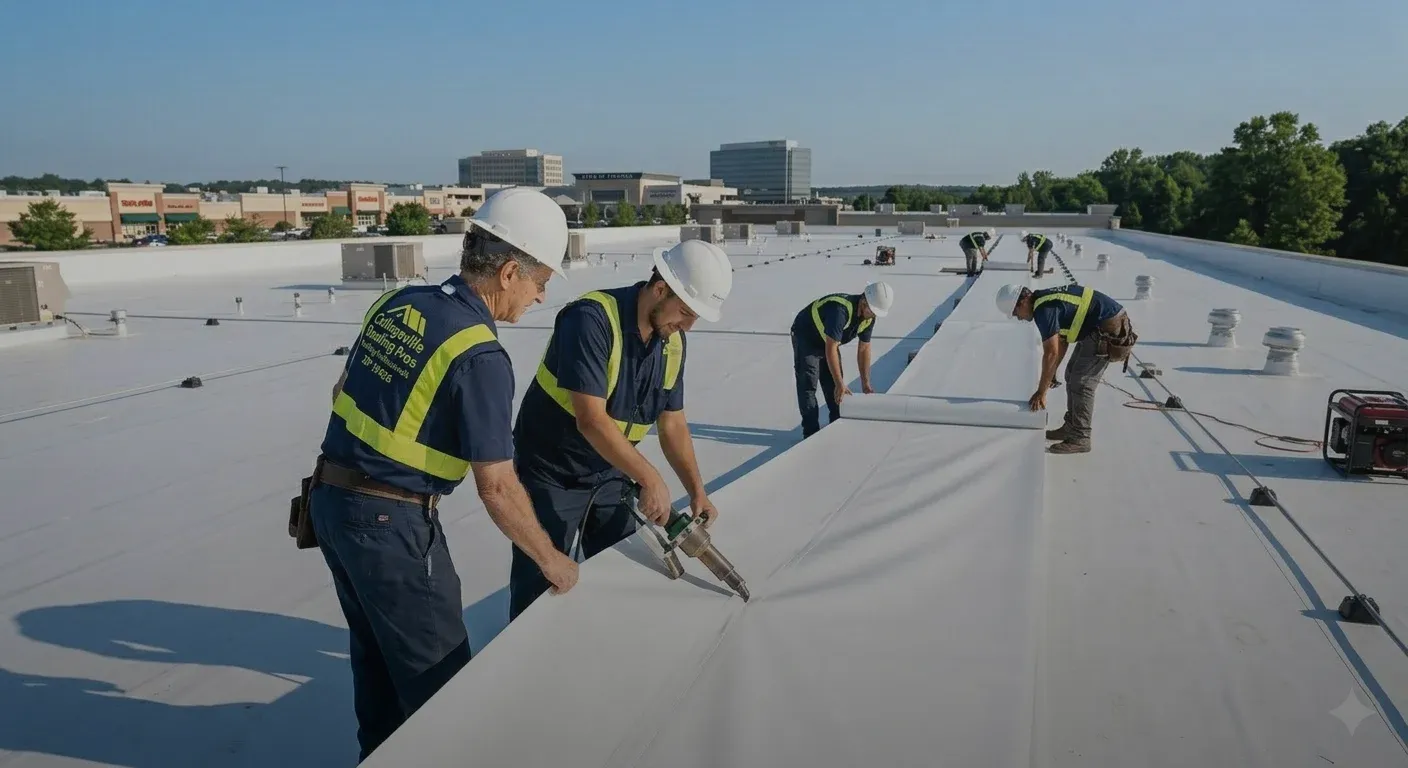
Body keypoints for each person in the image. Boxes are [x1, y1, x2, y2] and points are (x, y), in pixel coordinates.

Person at [310, 188, 581, 761]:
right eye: (540, 283)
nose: (540, 298)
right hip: (393, 527)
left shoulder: (397, 303)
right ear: (510, 272)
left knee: (378, 669)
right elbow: (499, 488)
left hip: (331, 506)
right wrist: (551, 559)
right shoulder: (481, 355)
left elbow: (342, 392)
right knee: (444, 690)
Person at [507, 239, 734, 621]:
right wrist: (650, 477)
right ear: (660, 288)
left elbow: (672, 422)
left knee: (615, 568)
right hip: (552, 473)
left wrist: (697, 491)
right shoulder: (591, 319)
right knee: (544, 582)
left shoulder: (671, 341)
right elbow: (591, 419)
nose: (688, 326)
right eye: (685, 312)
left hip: (612, 473)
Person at [994, 282, 1138, 454]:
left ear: (1022, 302)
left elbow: (1051, 353)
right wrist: (1053, 372)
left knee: (1082, 382)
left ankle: (1080, 437)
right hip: (1099, 325)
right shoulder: (1044, 300)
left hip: (1108, 326)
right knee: (1071, 374)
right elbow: (1062, 341)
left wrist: (1041, 391)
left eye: (1016, 313)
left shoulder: (1043, 310)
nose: (1019, 318)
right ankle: (1071, 427)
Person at [790, 282, 896, 437]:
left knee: (833, 386)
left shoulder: (869, 317)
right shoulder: (840, 311)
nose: (873, 315)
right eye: (872, 311)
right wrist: (840, 383)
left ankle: (836, 426)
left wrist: (865, 383)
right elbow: (831, 348)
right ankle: (811, 433)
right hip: (806, 337)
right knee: (808, 385)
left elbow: (864, 348)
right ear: (864, 301)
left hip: (827, 342)